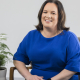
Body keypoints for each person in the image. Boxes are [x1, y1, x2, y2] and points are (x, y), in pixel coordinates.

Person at [13, 0, 80, 80]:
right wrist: (28, 76)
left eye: (53, 13)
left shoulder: (70, 37)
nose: (48, 16)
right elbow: (18, 59)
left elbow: (74, 66)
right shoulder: (31, 35)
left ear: (60, 16)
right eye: (45, 12)